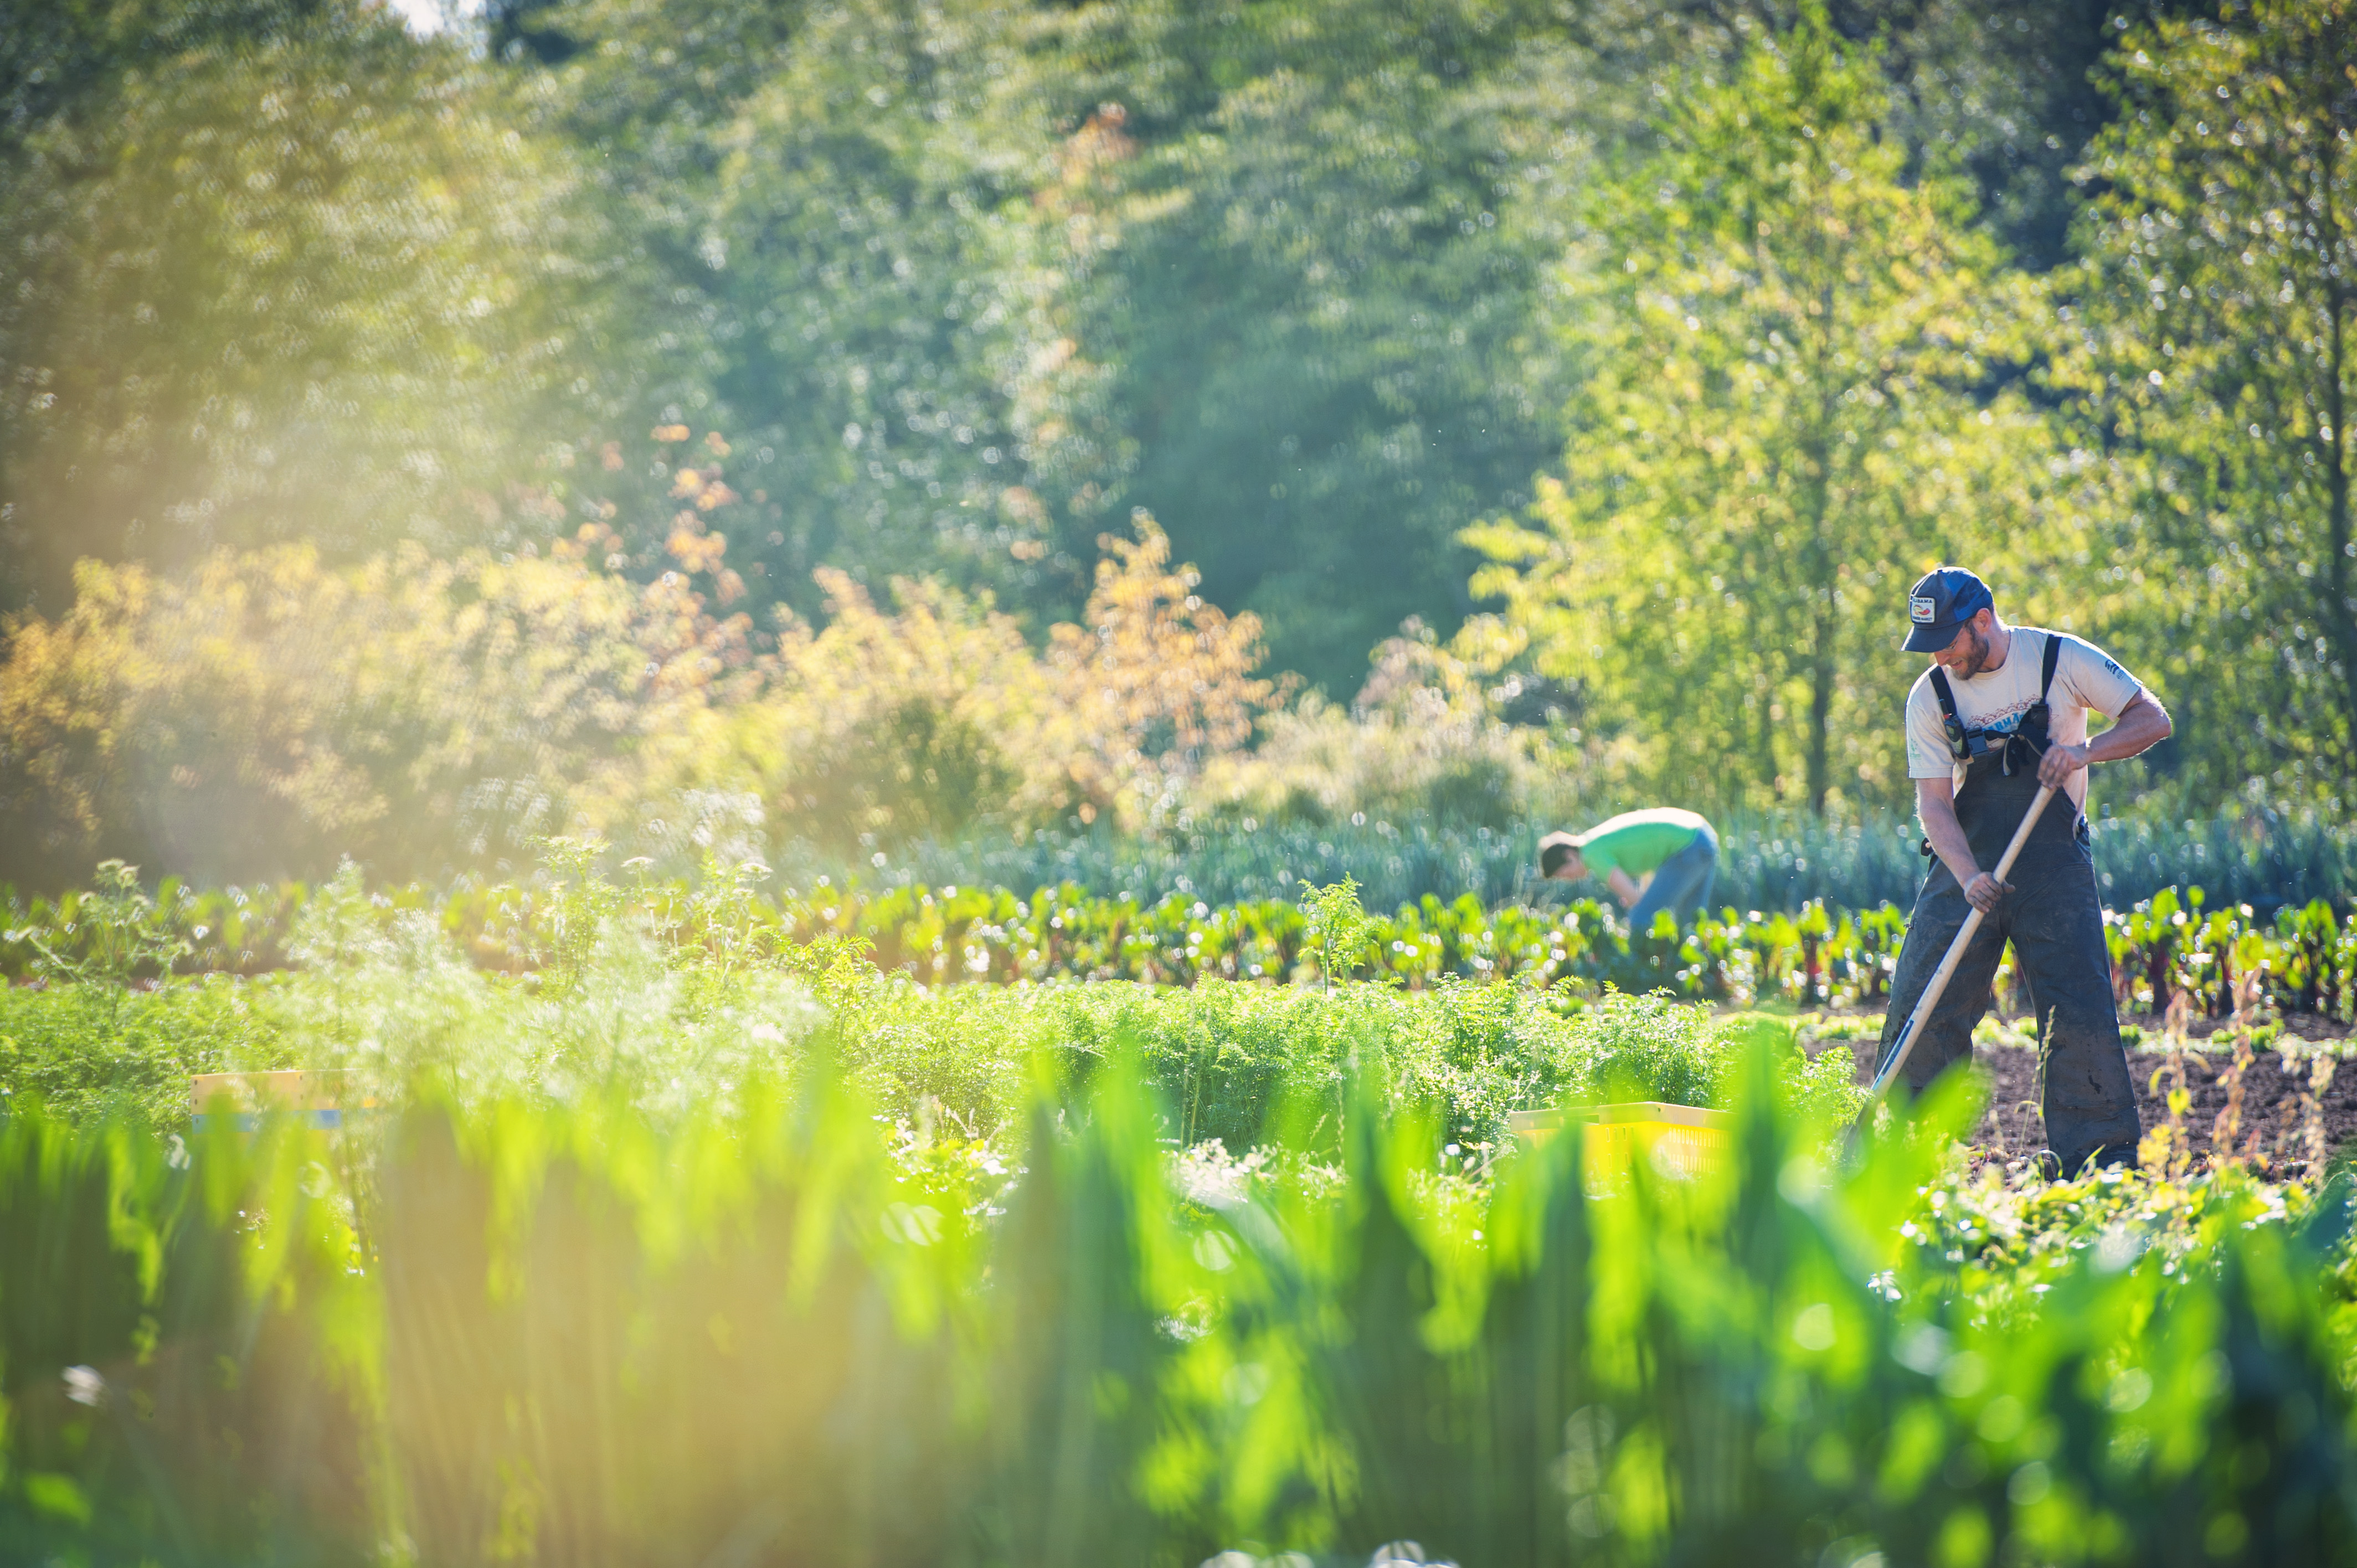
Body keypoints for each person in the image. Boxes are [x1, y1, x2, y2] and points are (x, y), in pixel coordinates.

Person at [1875, 566, 2173, 1175]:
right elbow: (1934, 805)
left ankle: (2097, 1158)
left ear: (1981, 620)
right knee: (1922, 1000)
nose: (1937, 656)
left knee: (2076, 1006)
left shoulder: (2059, 659)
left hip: (2052, 863)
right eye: (1927, 645)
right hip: (1966, 860)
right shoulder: (1929, 695)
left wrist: (2082, 752)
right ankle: (1904, 1150)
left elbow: (2151, 719)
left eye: (1948, 641)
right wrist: (1965, 878)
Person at [1539, 807, 1718, 930]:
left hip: (1690, 845)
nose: (1569, 879)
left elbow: (1635, 900)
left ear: (1569, 856)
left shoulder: (1590, 854)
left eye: (1563, 874)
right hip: (1702, 834)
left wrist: (1635, 902)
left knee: (1640, 920)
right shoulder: (1594, 841)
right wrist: (1640, 898)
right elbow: (1649, 864)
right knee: (1691, 924)